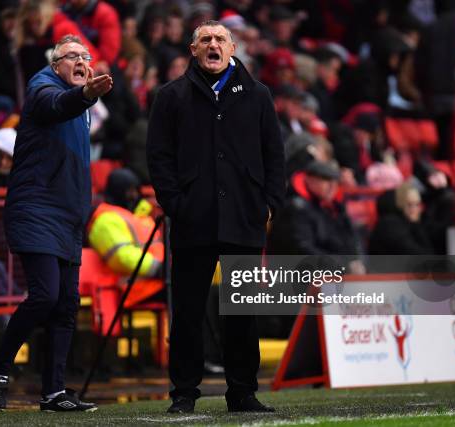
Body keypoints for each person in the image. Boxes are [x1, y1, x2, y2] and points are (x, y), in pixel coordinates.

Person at [146, 20, 285, 414]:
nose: (213, 44)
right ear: (192, 50)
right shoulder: (170, 97)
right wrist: (176, 203)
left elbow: (275, 154)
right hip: (194, 219)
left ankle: (242, 392)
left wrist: (269, 204)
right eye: (205, 39)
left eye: (220, 39)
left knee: (242, 311)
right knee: (188, 311)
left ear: (233, 48)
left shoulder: (258, 95)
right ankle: (184, 393)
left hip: (244, 217)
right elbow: (158, 157)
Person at [0, 34, 112, 412]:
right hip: (36, 209)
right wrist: (85, 94)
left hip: (68, 217)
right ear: (56, 65)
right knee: (45, 295)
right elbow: (53, 105)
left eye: (85, 57)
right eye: (72, 56)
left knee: (67, 303)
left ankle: (54, 392)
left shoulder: (83, 104)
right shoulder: (44, 85)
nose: (80, 62)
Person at [87, 168, 163, 307]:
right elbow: (122, 257)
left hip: (157, 283)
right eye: (130, 191)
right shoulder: (106, 220)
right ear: (117, 192)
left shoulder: (136, 217)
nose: (134, 195)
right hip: (135, 289)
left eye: (136, 190)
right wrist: (159, 268)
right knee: (206, 294)